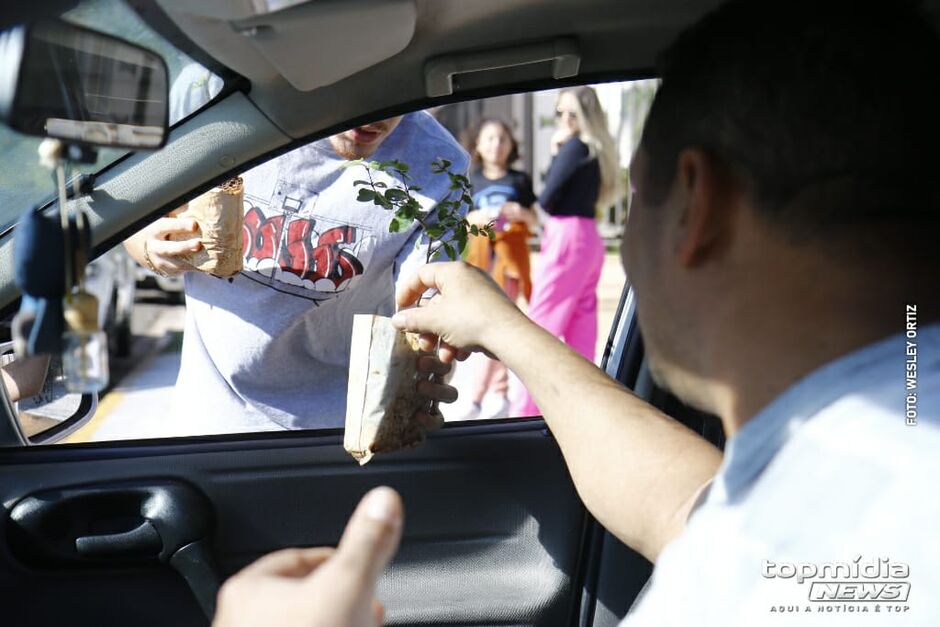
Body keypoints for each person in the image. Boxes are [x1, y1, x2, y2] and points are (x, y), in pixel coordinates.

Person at [214, 0, 940, 625]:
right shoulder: (874, 459)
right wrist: (503, 327)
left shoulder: (761, 572)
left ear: (694, 203)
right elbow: (692, 507)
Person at [124, 69, 465, 435]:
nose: (373, 116)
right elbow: (132, 216)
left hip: (340, 430)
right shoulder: (232, 115)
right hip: (210, 419)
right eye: (355, 87)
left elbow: (427, 312)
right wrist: (151, 248)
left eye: (394, 93)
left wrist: (421, 381)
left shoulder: (438, 165)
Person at [513, 86, 623, 417]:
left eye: (570, 114)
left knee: (539, 327)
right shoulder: (597, 150)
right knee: (581, 328)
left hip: (566, 236)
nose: (563, 120)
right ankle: (581, 408)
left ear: (585, 116)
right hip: (590, 237)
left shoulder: (574, 147)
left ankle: (524, 414)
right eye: (559, 113)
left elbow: (547, 199)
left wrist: (557, 152)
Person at [461, 119, 536, 419]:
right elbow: (460, 223)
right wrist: (477, 218)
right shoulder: (472, 182)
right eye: (490, 138)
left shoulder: (519, 180)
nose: (496, 145)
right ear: (478, 144)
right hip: (482, 263)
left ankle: (478, 398)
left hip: (511, 263)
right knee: (495, 327)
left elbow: (535, 219)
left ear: (511, 145)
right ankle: (502, 395)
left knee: (499, 325)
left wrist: (521, 213)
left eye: (502, 139)